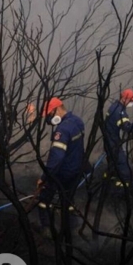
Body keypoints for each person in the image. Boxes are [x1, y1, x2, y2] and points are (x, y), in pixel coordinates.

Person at [37, 97, 86, 238]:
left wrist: (45, 178)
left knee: (44, 199)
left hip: (61, 172)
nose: (48, 120)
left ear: (56, 110)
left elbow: (57, 158)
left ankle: (46, 230)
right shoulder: (77, 121)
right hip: (75, 170)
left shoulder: (62, 130)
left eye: (49, 115)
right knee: (68, 199)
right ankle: (72, 227)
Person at [103, 88, 133, 190]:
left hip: (110, 142)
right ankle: (122, 192)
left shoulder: (114, 107)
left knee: (112, 166)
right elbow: (127, 127)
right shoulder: (119, 112)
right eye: (131, 101)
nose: (132, 103)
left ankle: (106, 186)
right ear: (124, 99)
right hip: (113, 144)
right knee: (123, 169)